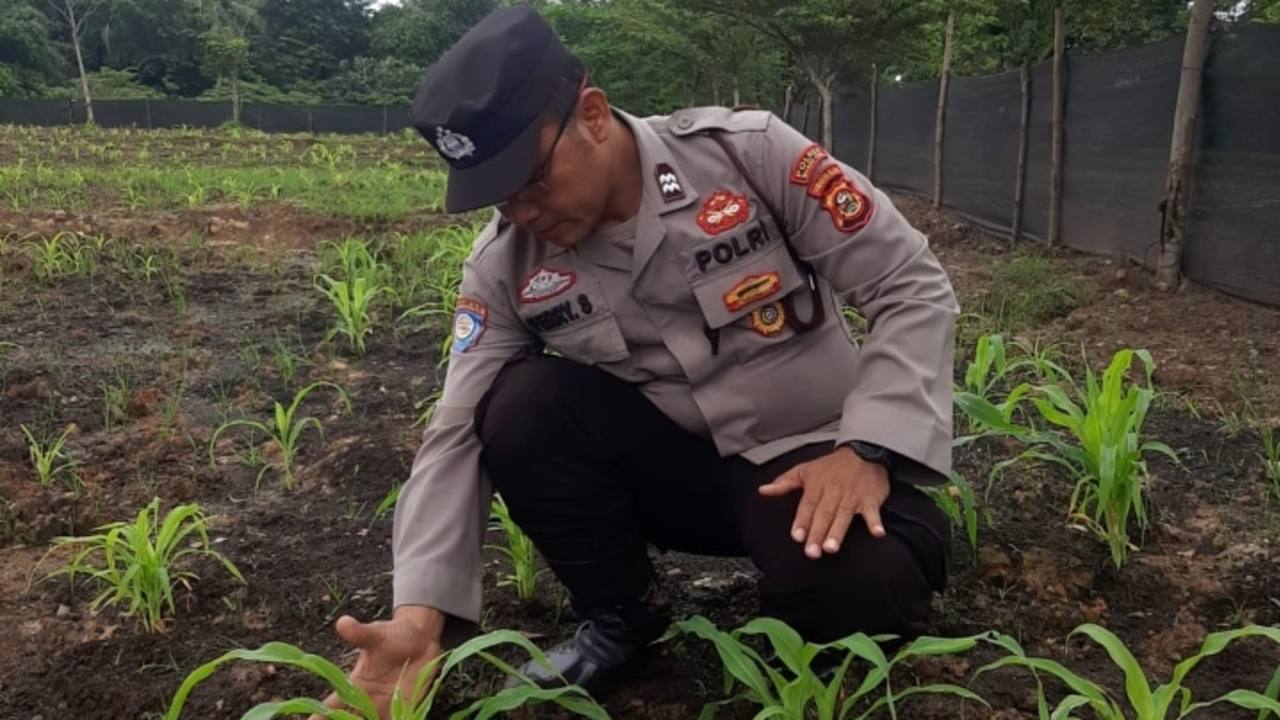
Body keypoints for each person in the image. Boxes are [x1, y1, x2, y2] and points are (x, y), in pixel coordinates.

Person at [311, 4, 959, 716]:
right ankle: (623, 618)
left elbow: (909, 283)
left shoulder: (748, 155)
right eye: (498, 197)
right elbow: (456, 429)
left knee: (859, 595)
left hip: (809, 463)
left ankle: (850, 560)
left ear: (591, 113)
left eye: (530, 180)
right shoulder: (505, 264)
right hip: (673, 474)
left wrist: (866, 447)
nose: (521, 212)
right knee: (519, 405)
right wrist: (418, 615)